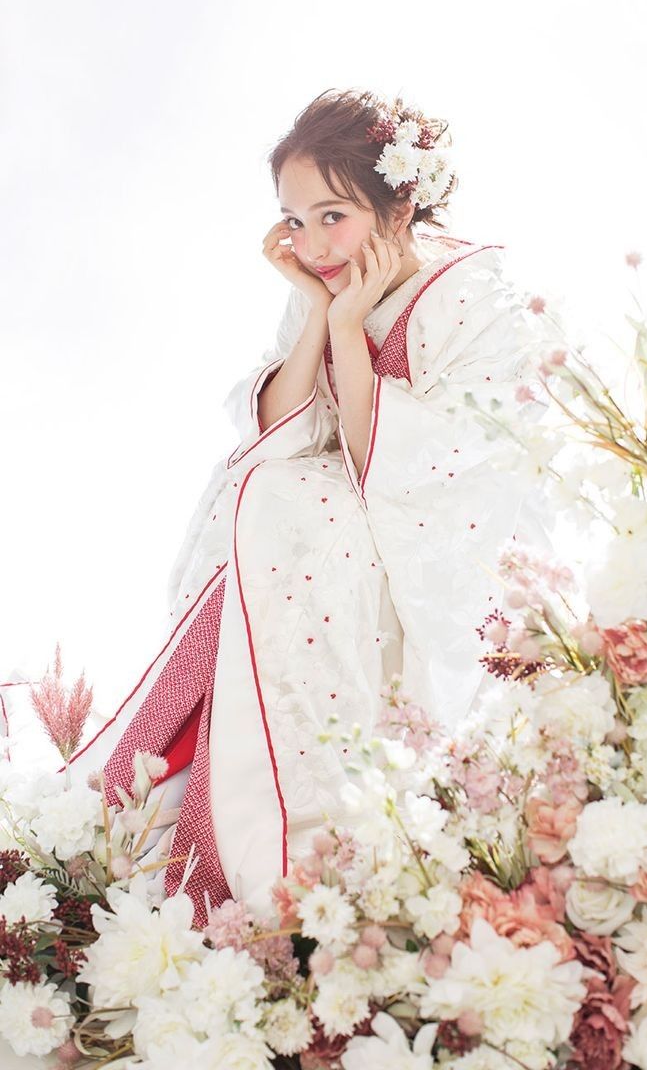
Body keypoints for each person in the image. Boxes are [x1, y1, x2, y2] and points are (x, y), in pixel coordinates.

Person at [64, 88, 552, 926]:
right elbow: (282, 424)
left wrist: (356, 324)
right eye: (294, 220)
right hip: (301, 537)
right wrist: (323, 313)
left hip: (402, 546)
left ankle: (282, 863)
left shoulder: (478, 295)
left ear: (399, 204)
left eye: (334, 216)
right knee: (270, 497)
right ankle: (159, 835)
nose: (313, 243)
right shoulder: (323, 283)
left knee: (289, 507)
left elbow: (398, 465)